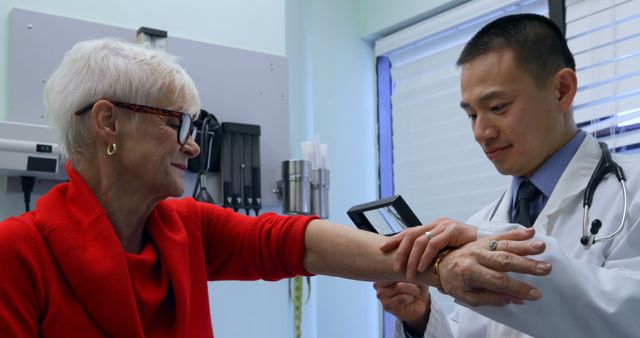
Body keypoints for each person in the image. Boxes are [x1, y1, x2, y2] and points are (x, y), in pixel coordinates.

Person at [0, 38, 550, 338]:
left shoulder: (183, 227)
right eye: (178, 124)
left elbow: (294, 241)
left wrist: (437, 264)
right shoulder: (18, 254)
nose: (193, 147)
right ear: (108, 123)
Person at [375, 13, 640, 338]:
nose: (481, 132)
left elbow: (630, 313)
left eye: (498, 107)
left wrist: (487, 240)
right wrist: (422, 317)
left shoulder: (633, 192)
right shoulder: (484, 218)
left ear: (561, 90)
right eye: (472, 115)